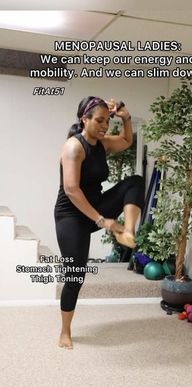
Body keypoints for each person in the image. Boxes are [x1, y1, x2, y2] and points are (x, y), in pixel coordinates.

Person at [54, 96, 145, 349]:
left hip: (95, 208)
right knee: (75, 277)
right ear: (85, 119)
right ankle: (65, 331)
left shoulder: (102, 144)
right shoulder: (74, 147)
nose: (105, 126)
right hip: (71, 217)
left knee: (135, 181)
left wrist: (125, 117)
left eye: (108, 120)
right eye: (100, 120)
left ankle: (127, 231)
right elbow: (71, 190)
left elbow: (127, 140)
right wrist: (103, 221)